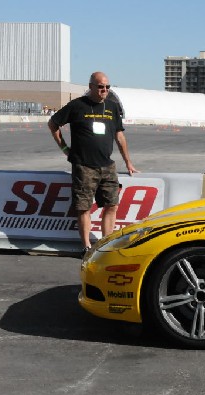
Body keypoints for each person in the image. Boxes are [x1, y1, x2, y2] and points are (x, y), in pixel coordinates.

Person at [48, 71, 138, 257]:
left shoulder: (112, 107)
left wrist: (128, 162)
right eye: (100, 86)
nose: (104, 90)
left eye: (107, 87)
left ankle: (106, 244)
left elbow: (119, 135)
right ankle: (87, 246)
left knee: (111, 205)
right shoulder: (77, 106)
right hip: (84, 166)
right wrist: (65, 149)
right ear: (91, 86)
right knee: (84, 208)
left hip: (107, 165)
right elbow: (53, 124)